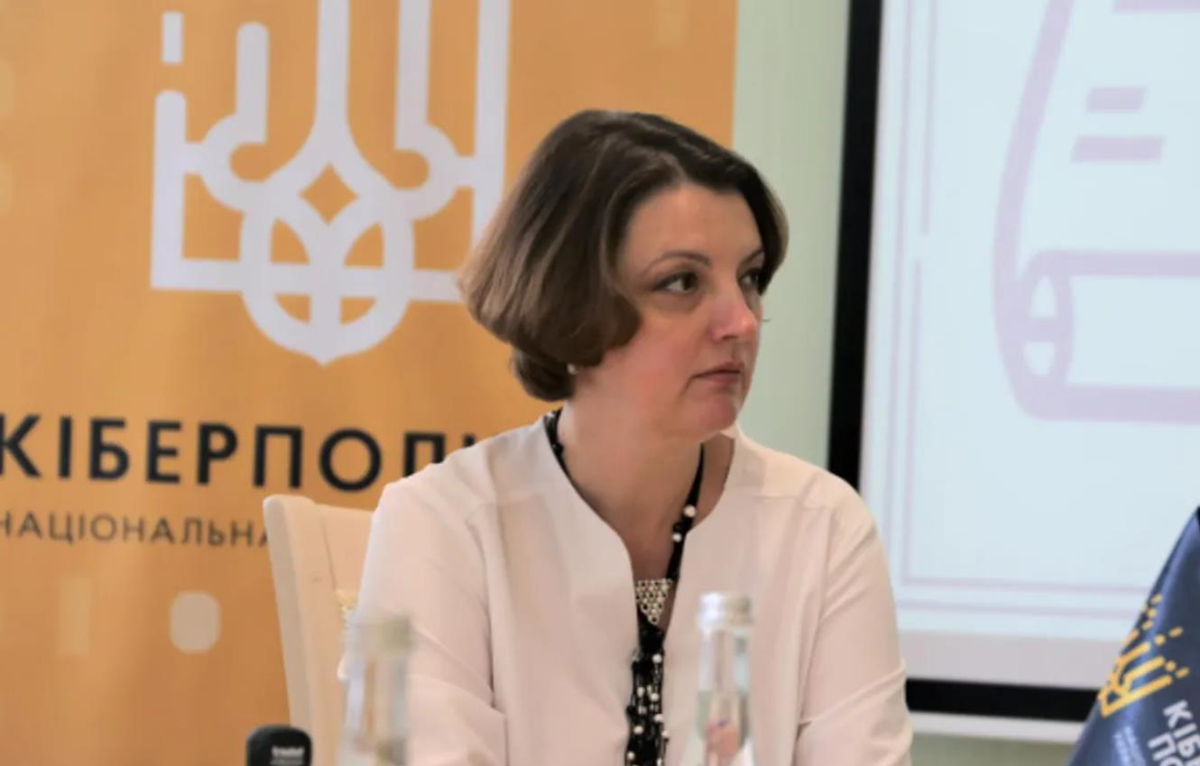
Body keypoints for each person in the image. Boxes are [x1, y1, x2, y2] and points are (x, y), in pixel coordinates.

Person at [355, 109, 912, 766]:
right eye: (682, 282)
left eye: (749, 278)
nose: (741, 321)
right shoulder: (443, 523)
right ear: (570, 308)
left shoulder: (823, 528)